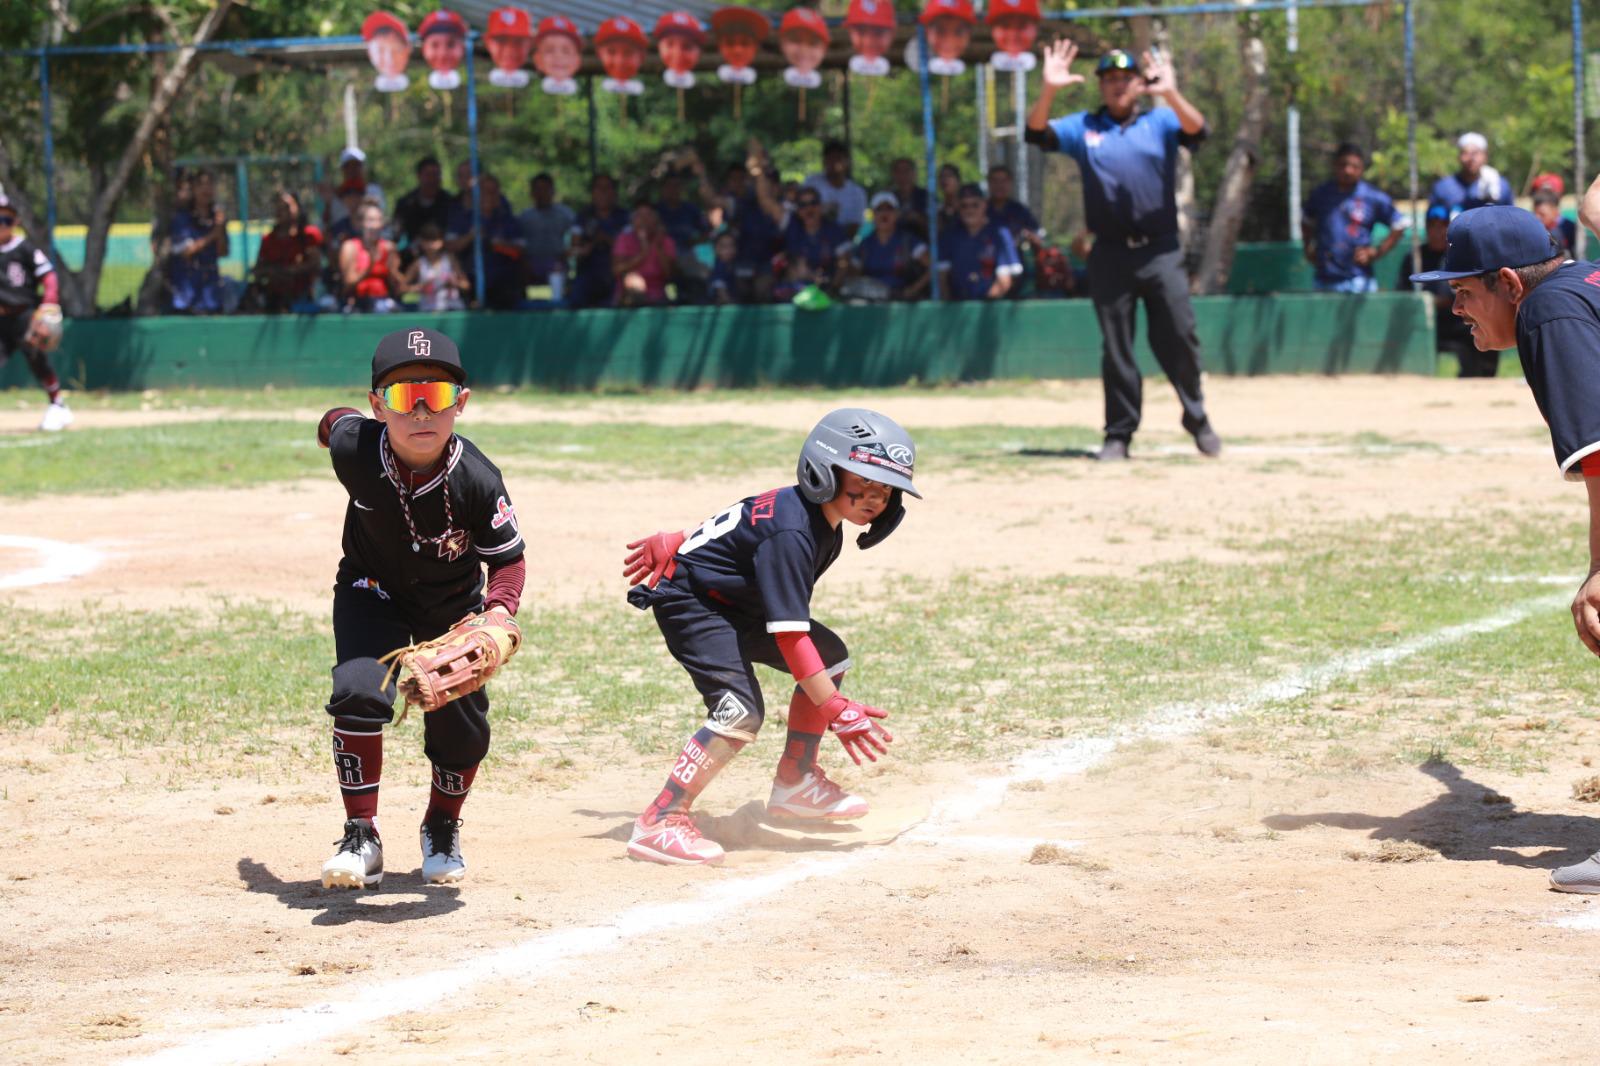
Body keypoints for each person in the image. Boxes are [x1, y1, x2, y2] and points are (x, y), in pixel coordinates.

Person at [618, 408, 918, 865]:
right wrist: (834, 708)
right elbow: (789, 636)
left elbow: (740, 524)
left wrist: (683, 535)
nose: (874, 497)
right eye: (863, 480)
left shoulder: (816, 519)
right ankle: (660, 820)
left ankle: (795, 782)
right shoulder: (795, 532)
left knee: (830, 657)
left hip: (732, 602)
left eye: (885, 489)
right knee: (739, 712)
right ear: (824, 467)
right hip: (695, 603)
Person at [1406, 204, 1600, 891]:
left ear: (1511, 284)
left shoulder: (1548, 315)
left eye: (1464, 290)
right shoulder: (1584, 280)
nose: (1456, 307)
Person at [314, 327, 526, 889]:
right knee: (358, 690)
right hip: (370, 589)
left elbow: (508, 560)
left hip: (451, 607)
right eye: (408, 398)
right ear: (379, 406)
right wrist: (332, 422)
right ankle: (362, 833)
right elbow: (333, 425)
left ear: (463, 402)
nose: (424, 411)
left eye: (439, 394)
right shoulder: (355, 449)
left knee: (461, 724)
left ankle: (442, 825)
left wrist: (498, 614)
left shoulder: (478, 480)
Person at [1025, 43, 1222, 461]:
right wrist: (1047, 90)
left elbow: (1199, 130)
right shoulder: (1085, 127)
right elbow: (1036, 133)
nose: (1118, 85)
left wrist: (1169, 92)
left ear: (1138, 83)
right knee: (1117, 349)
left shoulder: (1161, 121)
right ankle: (1119, 434)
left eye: (1125, 78)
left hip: (1161, 252)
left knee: (1180, 338)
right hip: (1111, 255)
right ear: (1101, 86)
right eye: (1110, 79)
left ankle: (1197, 417)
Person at [0, 194, 71, 431]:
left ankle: (58, 406)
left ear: (15, 222)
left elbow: (49, 276)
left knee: (37, 362)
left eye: (6, 220)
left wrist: (48, 306)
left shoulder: (24, 249)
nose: (1, 225)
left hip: (25, 317)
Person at [1300, 143, 1408, 294]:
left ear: (1362, 168)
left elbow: (1400, 223)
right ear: (1335, 165)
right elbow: (1306, 220)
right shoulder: (1321, 194)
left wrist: (1376, 252)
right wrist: (1307, 247)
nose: (1348, 170)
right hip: (1324, 279)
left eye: (1354, 166)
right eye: (1343, 164)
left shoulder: (1371, 195)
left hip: (1359, 280)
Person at [1398, 204, 1487, 376]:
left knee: (1478, 328)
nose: (1437, 231)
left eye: (1442, 225)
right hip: (1424, 322)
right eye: (1432, 225)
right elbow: (1403, 292)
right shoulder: (1414, 257)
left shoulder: (1458, 256)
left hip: (1457, 321)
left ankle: (1475, 376)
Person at [761, 182, 851, 301]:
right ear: (798, 210)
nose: (809, 208)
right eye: (803, 205)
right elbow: (766, 201)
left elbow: (843, 264)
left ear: (820, 206)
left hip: (827, 290)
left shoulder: (834, 230)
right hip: (794, 290)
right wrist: (759, 173)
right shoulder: (791, 225)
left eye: (813, 203)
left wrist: (832, 289)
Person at [448, 173, 524, 310]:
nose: (488, 196)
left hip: (502, 284)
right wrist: (470, 236)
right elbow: (449, 247)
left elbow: (519, 250)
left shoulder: (508, 221)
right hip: (469, 282)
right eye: (484, 192)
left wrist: (497, 244)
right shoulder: (462, 219)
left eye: (493, 192)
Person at [939, 183, 1022, 300]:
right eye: (964, 205)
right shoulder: (950, 235)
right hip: (957, 307)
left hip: (990, 308)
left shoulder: (999, 233)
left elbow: (1005, 282)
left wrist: (979, 309)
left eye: (975, 205)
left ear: (984, 205)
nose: (969, 210)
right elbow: (941, 279)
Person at [167, 168, 229, 315]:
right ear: (193, 189)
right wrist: (213, 235)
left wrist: (220, 230)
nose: (206, 189)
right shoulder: (182, 218)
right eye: (202, 184)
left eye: (210, 184)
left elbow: (223, 252)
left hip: (211, 292)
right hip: (186, 293)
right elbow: (186, 252)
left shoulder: (217, 218)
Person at [250, 189, 322, 313]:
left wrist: (290, 270)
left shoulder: (308, 235)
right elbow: (259, 269)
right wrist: (272, 272)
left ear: (297, 207)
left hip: (304, 297)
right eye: (279, 207)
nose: (282, 211)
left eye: (287, 207)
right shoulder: (268, 239)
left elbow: (315, 264)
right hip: (274, 299)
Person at [848, 192, 929, 300]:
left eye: (889, 209)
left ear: (897, 214)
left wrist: (913, 289)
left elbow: (933, 267)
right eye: (879, 209)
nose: (884, 214)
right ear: (873, 214)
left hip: (902, 302)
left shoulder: (908, 241)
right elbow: (853, 274)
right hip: (871, 303)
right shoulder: (865, 244)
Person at [569, 173, 632, 309]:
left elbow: (630, 249)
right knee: (576, 298)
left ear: (614, 192)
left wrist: (605, 239)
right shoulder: (583, 216)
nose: (603, 193)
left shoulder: (624, 216)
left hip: (616, 272)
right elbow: (574, 248)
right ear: (592, 193)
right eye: (599, 188)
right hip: (588, 271)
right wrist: (587, 248)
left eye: (607, 188)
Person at [517, 173, 576, 303]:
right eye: (538, 189)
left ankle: (560, 304)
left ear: (552, 191)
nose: (541, 193)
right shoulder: (524, 217)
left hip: (557, 262)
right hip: (530, 263)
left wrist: (566, 254)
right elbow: (518, 245)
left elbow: (577, 236)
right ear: (532, 192)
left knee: (560, 271)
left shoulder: (565, 214)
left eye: (545, 189)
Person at [986, 164, 1043, 296]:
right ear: (989, 183)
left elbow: (1039, 237)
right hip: (987, 265)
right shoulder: (981, 209)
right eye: (995, 181)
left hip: (1017, 266)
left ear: (1010, 183)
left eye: (1004, 181)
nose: (999, 185)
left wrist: (1030, 238)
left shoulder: (1019, 210)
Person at [339, 199, 402, 313]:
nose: (375, 225)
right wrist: (369, 267)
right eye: (371, 220)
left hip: (384, 303)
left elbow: (398, 289)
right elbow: (347, 286)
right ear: (360, 223)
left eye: (378, 220)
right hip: (358, 304)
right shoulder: (350, 247)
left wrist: (392, 271)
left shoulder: (389, 248)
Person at [1428, 132, 1512, 215]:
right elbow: (1434, 224)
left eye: (1475, 153)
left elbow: (1512, 221)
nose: (1471, 158)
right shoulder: (1443, 188)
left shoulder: (1500, 186)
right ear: (1459, 156)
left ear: (1485, 156)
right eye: (1466, 153)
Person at [612, 202, 677, 306]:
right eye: (639, 216)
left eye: (648, 215)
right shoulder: (623, 239)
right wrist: (643, 253)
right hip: (628, 296)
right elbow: (617, 270)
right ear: (633, 220)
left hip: (658, 297)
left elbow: (669, 274)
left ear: (656, 219)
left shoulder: (665, 241)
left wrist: (658, 247)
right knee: (634, 283)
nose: (644, 220)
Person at [392, 156, 455, 253]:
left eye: (436, 174)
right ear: (419, 176)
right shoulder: (405, 203)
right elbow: (397, 233)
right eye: (428, 175)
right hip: (412, 255)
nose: (432, 179)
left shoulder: (450, 202)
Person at [401, 223, 469, 312]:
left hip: (453, 308)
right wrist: (420, 287)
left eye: (435, 240)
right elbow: (401, 289)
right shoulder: (418, 264)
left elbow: (466, 285)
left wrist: (455, 283)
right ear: (421, 242)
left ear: (441, 241)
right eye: (427, 240)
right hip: (428, 311)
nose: (431, 244)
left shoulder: (450, 260)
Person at [804, 140, 869, 231]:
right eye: (830, 158)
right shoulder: (812, 183)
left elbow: (855, 226)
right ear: (824, 161)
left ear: (847, 162)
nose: (834, 162)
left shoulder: (857, 193)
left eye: (838, 158)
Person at [887, 156, 932, 238]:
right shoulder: (888, 197)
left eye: (906, 171)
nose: (902, 175)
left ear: (914, 174)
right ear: (893, 175)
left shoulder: (926, 196)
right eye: (898, 171)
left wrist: (917, 218)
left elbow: (934, 226)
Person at [1532, 189, 1577, 257]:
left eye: (1542, 214)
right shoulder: (1533, 230)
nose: (1537, 218)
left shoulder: (1569, 228)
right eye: (1535, 213)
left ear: (1555, 211)